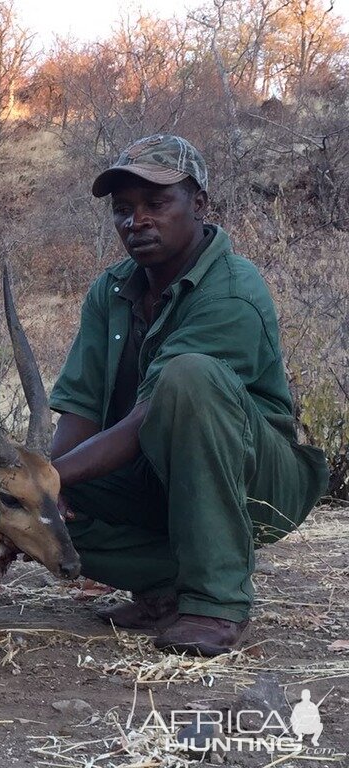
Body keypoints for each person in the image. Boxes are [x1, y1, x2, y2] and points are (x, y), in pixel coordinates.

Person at [49, 134, 329, 656]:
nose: (137, 222)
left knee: (188, 377)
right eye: (123, 210)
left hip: (256, 483)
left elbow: (150, 414)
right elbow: (81, 410)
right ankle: (166, 590)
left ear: (198, 204)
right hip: (155, 477)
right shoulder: (109, 290)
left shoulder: (234, 288)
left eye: (156, 204)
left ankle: (215, 603)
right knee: (23, 503)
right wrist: (39, 485)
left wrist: (50, 477)